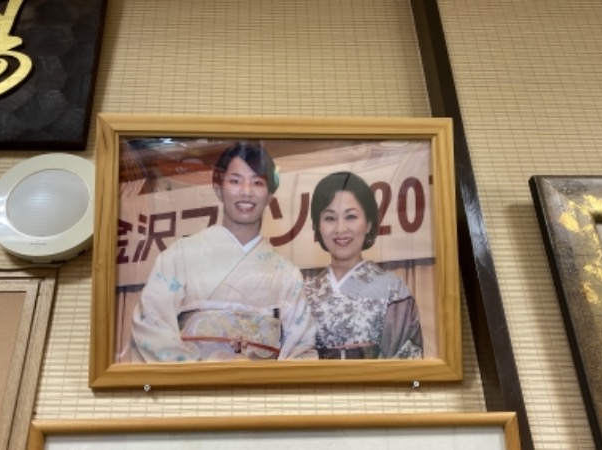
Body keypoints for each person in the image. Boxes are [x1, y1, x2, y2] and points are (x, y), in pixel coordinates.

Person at [130, 142, 317, 362]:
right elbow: (151, 325)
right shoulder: (180, 256)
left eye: (257, 183)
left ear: (269, 196)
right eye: (235, 181)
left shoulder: (286, 273)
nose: (246, 192)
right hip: (195, 389)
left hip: (260, 392)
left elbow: (300, 348)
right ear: (218, 189)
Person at [304, 171, 423, 359]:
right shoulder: (303, 294)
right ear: (318, 226)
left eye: (351, 216)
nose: (340, 229)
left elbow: (406, 364)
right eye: (329, 218)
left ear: (368, 223)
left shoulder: (393, 290)